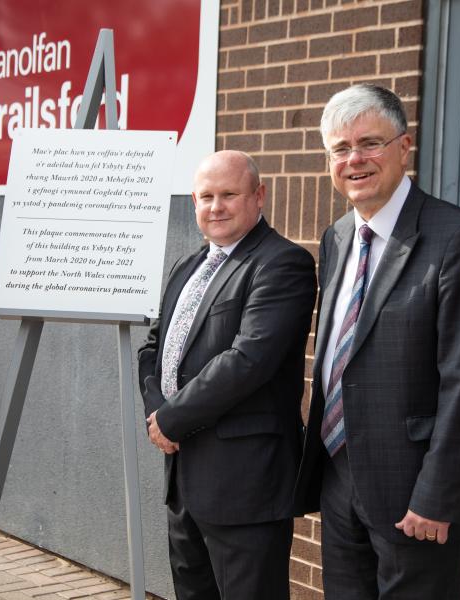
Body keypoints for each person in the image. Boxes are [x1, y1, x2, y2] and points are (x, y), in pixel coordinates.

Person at [293, 83, 460, 599]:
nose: (355, 159)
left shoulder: (459, 238)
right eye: (340, 149)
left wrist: (438, 494)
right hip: (342, 477)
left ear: (404, 147)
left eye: (370, 143)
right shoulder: (338, 236)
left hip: (417, 490)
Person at [138, 150, 316, 600]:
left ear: (259, 196)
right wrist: (157, 413)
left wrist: (172, 418)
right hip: (183, 475)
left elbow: (248, 360)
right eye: (206, 196)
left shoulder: (282, 264)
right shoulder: (189, 265)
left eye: (229, 195)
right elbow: (154, 348)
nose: (215, 206)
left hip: (245, 485)